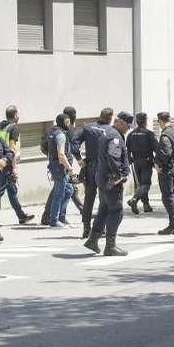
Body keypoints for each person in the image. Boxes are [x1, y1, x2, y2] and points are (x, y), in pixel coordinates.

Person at [84, 111, 132, 256]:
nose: (128, 129)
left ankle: (92, 240)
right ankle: (110, 246)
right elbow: (112, 155)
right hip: (111, 180)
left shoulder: (107, 133)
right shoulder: (115, 136)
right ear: (121, 122)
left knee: (104, 210)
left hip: (102, 177)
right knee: (116, 211)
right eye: (128, 126)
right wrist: (118, 175)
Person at [73, 108, 115, 238]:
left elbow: (74, 142)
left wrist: (79, 159)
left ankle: (86, 228)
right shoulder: (110, 131)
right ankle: (100, 228)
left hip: (90, 167)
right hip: (104, 168)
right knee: (104, 199)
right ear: (110, 118)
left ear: (100, 115)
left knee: (89, 198)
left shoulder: (88, 128)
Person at [0, 105, 35, 225]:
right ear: (15, 115)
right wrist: (14, 168)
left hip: (1, 162)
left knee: (12, 191)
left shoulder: (1, 127)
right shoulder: (13, 128)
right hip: (7, 165)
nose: (19, 116)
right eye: (18, 114)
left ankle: (21, 216)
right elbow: (11, 149)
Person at [154, 111, 174, 235]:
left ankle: (173, 225)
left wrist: (157, 163)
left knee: (168, 197)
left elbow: (165, 153)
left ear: (160, 121)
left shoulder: (165, 135)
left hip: (167, 168)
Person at [47, 114, 76, 229]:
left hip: (57, 167)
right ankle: (54, 221)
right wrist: (70, 168)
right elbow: (61, 155)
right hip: (60, 168)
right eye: (67, 122)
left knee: (69, 190)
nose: (69, 124)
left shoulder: (53, 132)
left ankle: (62, 217)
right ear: (63, 123)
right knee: (58, 194)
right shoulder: (60, 135)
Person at [126, 112, 157, 215]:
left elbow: (127, 150)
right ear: (145, 121)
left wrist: (129, 160)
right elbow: (156, 148)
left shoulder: (131, 134)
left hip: (135, 162)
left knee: (140, 185)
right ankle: (134, 199)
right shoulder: (149, 134)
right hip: (146, 161)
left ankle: (146, 205)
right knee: (146, 184)